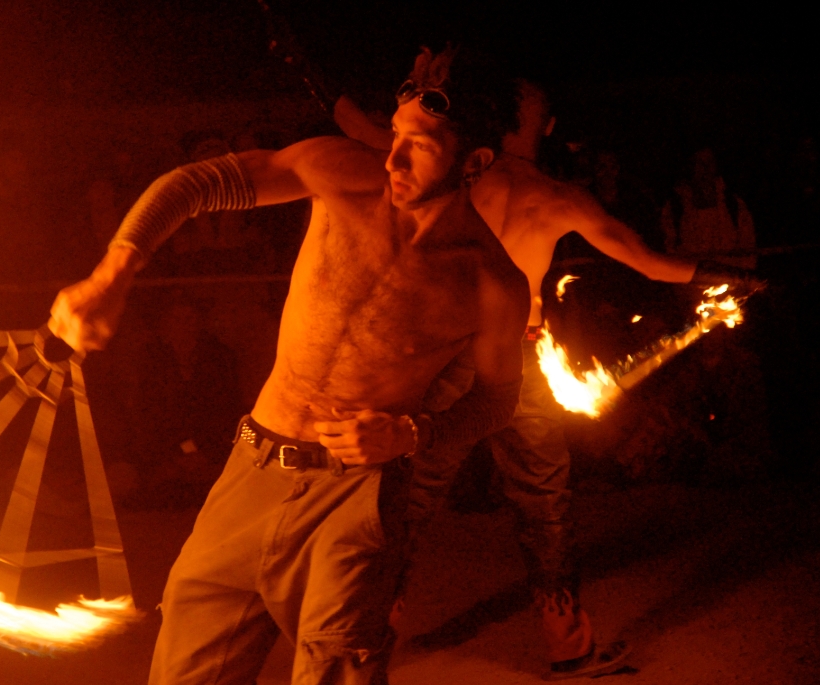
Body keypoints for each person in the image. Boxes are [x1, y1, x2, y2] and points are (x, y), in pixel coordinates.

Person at [50, 45, 530, 684]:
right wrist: (113, 273)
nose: (393, 156)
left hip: (353, 497)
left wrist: (414, 434)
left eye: (422, 144)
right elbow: (197, 183)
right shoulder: (340, 172)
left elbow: (499, 399)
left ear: (473, 162)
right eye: (395, 134)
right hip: (250, 471)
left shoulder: (490, 280)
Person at [336, 78, 756, 679]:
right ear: (548, 126)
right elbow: (649, 260)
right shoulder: (556, 195)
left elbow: (360, 126)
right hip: (517, 359)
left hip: (455, 357)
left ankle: (365, 650)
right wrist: (728, 278)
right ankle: (569, 648)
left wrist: (337, 97)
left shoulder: (458, 172)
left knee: (414, 502)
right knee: (543, 505)